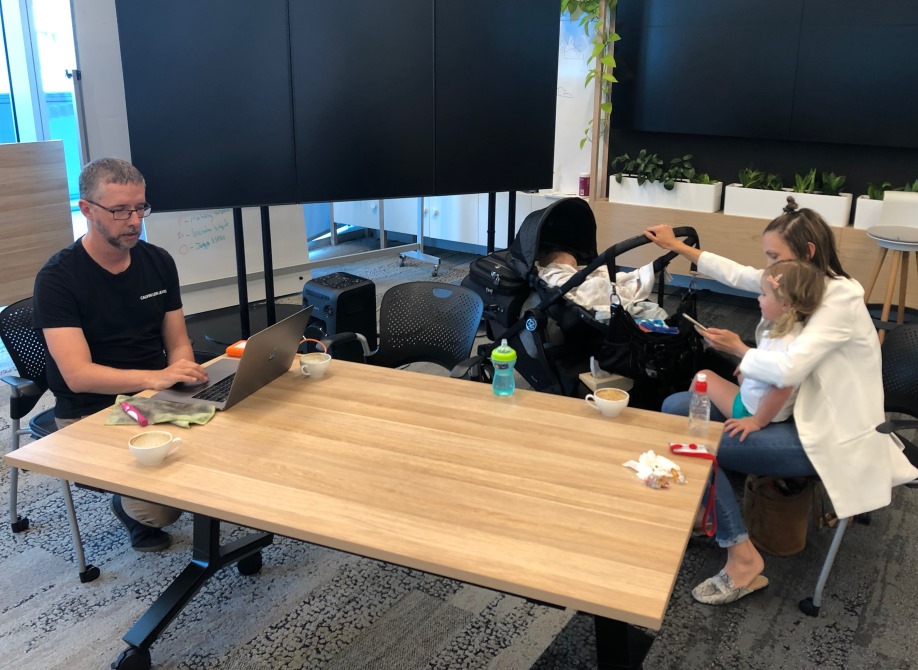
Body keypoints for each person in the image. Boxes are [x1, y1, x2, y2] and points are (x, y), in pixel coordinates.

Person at [644, 196, 918, 605]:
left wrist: (741, 351)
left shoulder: (837, 299)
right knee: (675, 410)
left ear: (806, 252)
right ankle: (708, 509)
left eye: (774, 257)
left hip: (827, 433)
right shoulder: (797, 283)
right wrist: (679, 247)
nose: (767, 268)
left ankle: (742, 558)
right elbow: (741, 274)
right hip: (793, 409)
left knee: (696, 443)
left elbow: (788, 371)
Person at [33, 157, 209, 552]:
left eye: (140, 208)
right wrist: (154, 379)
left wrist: (181, 370)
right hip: (91, 409)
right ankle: (127, 504)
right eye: (119, 211)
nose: (133, 221)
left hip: (154, 396)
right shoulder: (58, 279)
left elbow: (177, 341)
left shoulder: (158, 261)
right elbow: (78, 375)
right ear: (87, 209)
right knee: (159, 510)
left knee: (233, 437)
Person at [700, 259, 825, 443]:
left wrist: (756, 421)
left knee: (703, 377)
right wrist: (748, 366)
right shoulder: (791, 331)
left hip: (751, 411)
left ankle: (685, 426)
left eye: (765, 294)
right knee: (737, 373)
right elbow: (769, 365)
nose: (759, 298)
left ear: (785, 303)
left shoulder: (784, 341)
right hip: (759, 399)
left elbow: (782, 388)